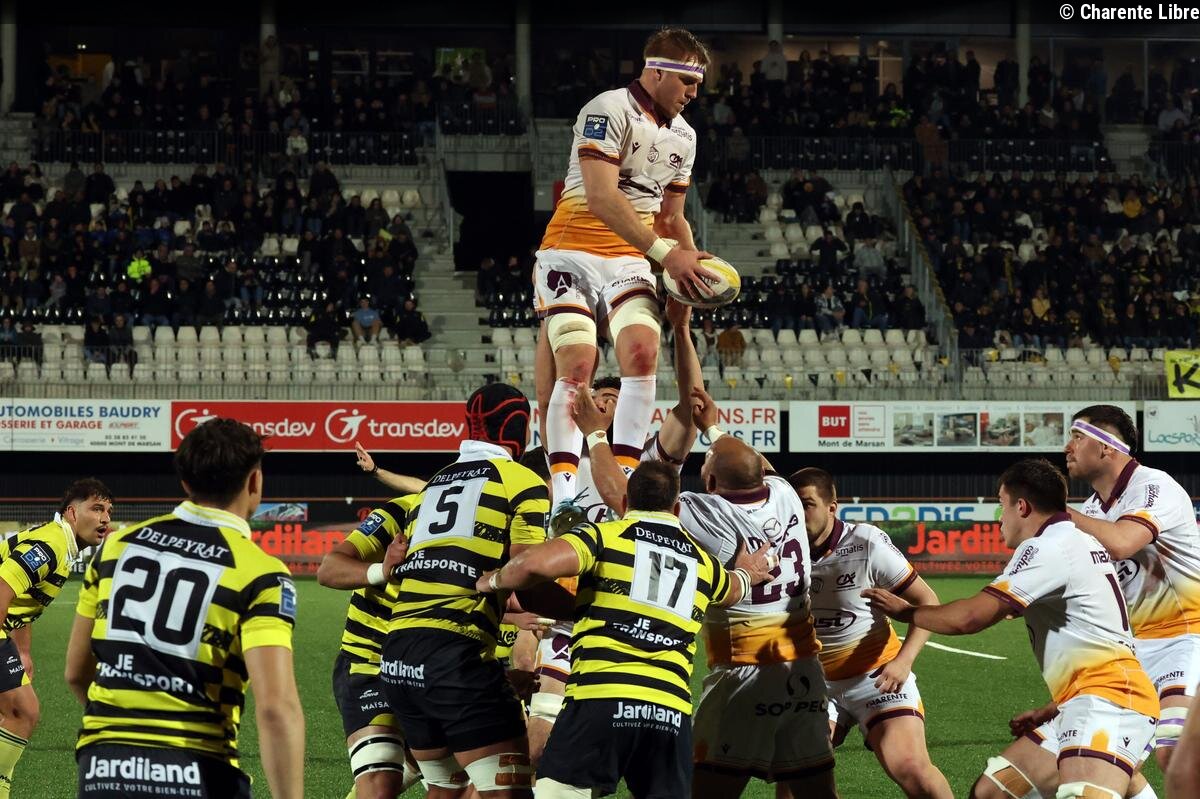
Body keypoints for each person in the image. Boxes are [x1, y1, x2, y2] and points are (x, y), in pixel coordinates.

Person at [475, 460, 774, 798]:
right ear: (676, 509)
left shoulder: (604, 536)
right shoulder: (701, 561)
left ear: (624, 502)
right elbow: (733, 589)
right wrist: (749, 573)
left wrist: (493, 581)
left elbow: (531, 564)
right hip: (668, 712)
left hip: (601, 700)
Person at [865, 458, 1158, 799]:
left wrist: (908, 612)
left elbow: (970, 618)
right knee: (993, 792)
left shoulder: (1047, 547)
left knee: (1085, 791)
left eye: (1001, 505)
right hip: (1086, 702)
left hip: (1110, 705)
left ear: (1022, 506)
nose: (999, 518)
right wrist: (1053, 708)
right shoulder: (1078, 541)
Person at [534, 28, 718, 531]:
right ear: (655, 71)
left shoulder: (686, 137)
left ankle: (627, 480)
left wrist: (689, 262)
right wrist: (666, 254)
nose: (693, 94)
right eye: (687, 82)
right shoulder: (607, 108)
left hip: (629, 258)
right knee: (578, 364)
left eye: (697, 85)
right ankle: (564, 499)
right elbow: (600, 197)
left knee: (642, 353)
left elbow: (671, 217)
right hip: (570, 251)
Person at [65, 419, 305, 799]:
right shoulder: (262, 574)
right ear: (254, 481)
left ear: (185, 482)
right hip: (199, 771)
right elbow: (276, 708)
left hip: (103, 768)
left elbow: (76, 673)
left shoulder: (115, 548)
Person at [376, 383, 549, 797]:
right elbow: (527, 574)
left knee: (445, 786)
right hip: (456, 654)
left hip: (398, 655)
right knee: (510, 789)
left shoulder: (433, 485)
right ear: (519, 428)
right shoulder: (522, 481)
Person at [789, 467, 952, 799]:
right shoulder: (783, 548)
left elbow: (928, 601)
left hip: (876, 678)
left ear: (832, 507)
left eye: (807, 504)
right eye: (793, 505)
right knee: (797, 777)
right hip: (814, 683)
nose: (799, 514)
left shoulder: (865, 543)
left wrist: (904, 661)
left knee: (911, 768)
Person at [1061, 405, 1200, 773]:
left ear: (1107, 447)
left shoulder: (1154, 486)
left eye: (1077, 437)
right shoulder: (1093, 508)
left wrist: (1059, 512)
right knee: (1108, 766)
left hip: (1188, 637)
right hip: (1134, 649)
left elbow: (1122, 542)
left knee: (1174, 750)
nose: (1067, 447)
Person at [0, 480, 112, 799]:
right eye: (96, 508)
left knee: (15, 711)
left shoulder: (60, 544)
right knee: (22, 711)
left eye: (108, 511)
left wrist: (22, 651)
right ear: (72, 513)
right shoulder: (52, 546)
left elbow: (19, 600)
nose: (105, 518)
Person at [317, 493, 424, 799]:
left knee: (471, 780)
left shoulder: (495, 520)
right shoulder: (402, 511)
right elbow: (329, 569)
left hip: (436, 664)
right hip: (372, 661)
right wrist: (382, 570)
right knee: (379, 782)